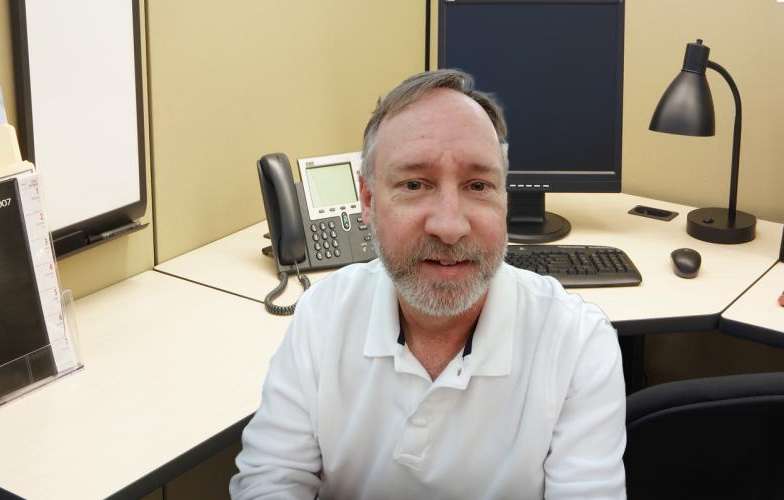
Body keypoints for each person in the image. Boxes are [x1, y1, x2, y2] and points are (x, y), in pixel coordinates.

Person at [230, 69, 626, 499]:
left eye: (478, 185)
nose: (449, 226)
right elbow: (271, 478)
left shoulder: (578, 343)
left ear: (503, 198)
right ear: (367, 200)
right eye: (415, 184)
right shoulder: (323, 314)